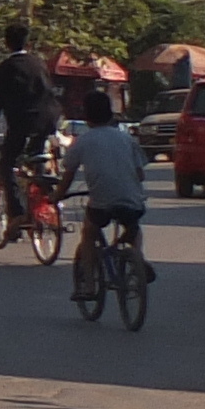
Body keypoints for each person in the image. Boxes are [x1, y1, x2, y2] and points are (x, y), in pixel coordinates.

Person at [63, 84, 149, 279]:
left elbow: (68, 175)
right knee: (133, 228)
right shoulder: (126, 139)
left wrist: (57, 195)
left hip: (101, 205)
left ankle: (88, 284)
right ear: (110, 114)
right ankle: (137, 257)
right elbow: (140, 174)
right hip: (132, 203)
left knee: (89, 232)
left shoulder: (83, 141)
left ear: (86, 116)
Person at [0, 23, 64, 204]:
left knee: (7, 165)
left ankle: (17, 213)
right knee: (37, 156)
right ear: (28, 44)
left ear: (6, 43)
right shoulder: (39, 65)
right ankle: (45, 199)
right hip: (49, 120)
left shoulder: (5, 68)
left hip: (22, 123)